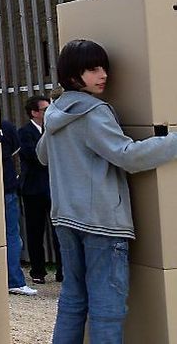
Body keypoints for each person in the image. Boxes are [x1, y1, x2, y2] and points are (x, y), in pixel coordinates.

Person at [37, 39, 177, 343]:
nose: (103, 75)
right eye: (93, 69)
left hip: (65, 219)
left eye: (104, 68)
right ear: (74, 74)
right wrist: (173, 142)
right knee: (107, 308)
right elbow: (127, 156)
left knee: (73, 302)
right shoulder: (94, 112)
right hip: (101, 221)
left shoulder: (55, 112)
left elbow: (43, 155)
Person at [19, 94, 63, 284]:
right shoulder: (25, 132)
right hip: (34, 189)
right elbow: (34, 157)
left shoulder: (54, 130)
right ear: (34, 112)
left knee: (58, 231)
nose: (48, 112)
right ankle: (38, 271)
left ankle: (63, 271)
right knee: (35, 232)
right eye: (44, 109)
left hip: (53, 187)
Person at [2, 119, 37, 296]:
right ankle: (14, 280)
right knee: (12, 235)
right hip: (7, 186)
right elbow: (16, 152)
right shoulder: (6, 127)